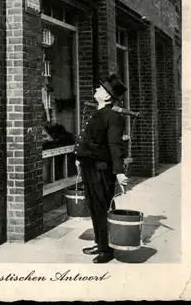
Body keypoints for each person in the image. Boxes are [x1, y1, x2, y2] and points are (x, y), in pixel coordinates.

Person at [74, 74, 128, 264]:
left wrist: (119, 172)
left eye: (100, 89)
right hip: (89, 167)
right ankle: (100, 242)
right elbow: (87, 139)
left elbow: (115, 145)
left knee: (102, 207)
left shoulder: (113, 117)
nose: (96, 90)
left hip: (101, 170)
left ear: (106, 96)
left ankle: (107, 250)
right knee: (94, 207)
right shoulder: (96, 113)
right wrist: (79, 158)